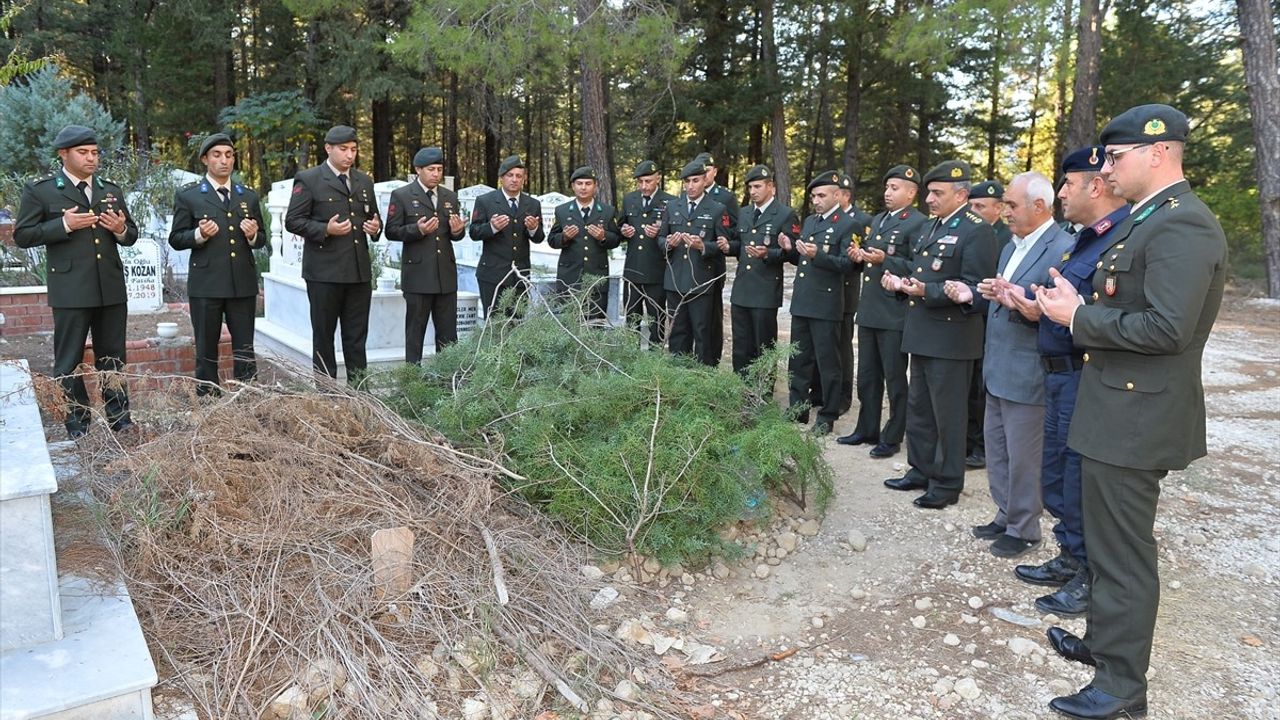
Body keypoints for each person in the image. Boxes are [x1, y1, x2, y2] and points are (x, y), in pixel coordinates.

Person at [1036, 105, 1226, 720]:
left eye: (1116, 157)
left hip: (1136, 417)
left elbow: (1168, 328)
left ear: (1158, 153)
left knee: (1122, 554)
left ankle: (1121, 689)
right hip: (1113, 407)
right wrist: (1078, 301)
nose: (1107, 168)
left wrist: (1077, 318)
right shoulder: (1147, 221)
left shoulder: (1182, 225)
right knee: (1104, 540)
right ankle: (1106, 646)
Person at [1001, 145, 1129, 618]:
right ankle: (1070, 555)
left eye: (1067, 184)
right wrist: (1038, 308)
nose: (1060, 194)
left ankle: (1086, 576)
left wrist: (1061, 314)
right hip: (1057, 374)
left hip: (1083, 375)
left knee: (1078, 480)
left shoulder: (1121, 237)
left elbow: (1108, 316)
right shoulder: (1087, 239)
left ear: (1094, 185)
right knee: (1057, 476)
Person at [947, 171, 1073, 558]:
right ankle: (1005, 513)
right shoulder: (1011, 246)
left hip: (1029, 369)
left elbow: (1057, 312)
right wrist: (978, 294)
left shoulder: (1062, 248)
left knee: (1024, 455)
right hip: (999, 365)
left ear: (1039, 206)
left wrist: (1022, 302)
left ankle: (1024, 527)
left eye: (1012, 205)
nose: (1005, 212)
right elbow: (1005, 297)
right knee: (998, 448)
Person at [881, 160, 996, 509]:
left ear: (961, 194)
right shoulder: (933, 226)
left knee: (948, 414)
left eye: (936, 193)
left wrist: (924, 293)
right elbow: (926, 275)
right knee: (920, 409)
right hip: (923, 333)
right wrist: (903, 286)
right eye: (929, 192)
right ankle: (920, 469)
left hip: (952, 339)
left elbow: (976, 290)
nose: (929, 199)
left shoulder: (976, 230)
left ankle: (946, 483)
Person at [15, 125, 139, 439]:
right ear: (63, 154)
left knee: (112, 357)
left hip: (110, 287)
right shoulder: (42, 190)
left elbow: (131, 235)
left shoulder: (109, 189)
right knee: (68, 360)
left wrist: (120, 229)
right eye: (83, 152)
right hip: (71, 289)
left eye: (95, 152)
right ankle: (78, 424)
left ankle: (119, 419)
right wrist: (63, 224)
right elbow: (24, 235)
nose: (91, 158)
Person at [168, 133, 268, 394]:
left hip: (242, 284)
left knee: (245, 347)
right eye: (217, 155)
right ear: (205, 159)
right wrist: (199, 235)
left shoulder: (247, 196)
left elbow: (262, 240)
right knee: (206, 348)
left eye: (229, 155)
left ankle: (247, 397)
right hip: (207, 285)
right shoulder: (189, 196)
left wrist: (253, 234)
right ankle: (208, 400)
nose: (224, 160)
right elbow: (176, 239)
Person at [839, 165, 927, 458]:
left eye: (895, 188)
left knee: (894, 378)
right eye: (887, 187)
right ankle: (867, 428)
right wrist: (859, 256)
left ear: (912, 192)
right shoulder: (877, 220)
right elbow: (871, 257)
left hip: (895, 311)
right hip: (870, 309)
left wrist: (885, 259)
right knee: (867, 375)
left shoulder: (918, 223)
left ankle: (893, 436)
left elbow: (917, 266)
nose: (887, 193)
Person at [284, 125, 382, 381]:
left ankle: (360, 389)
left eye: (353, 149)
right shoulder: (310, 179)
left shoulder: (363, 180)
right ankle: (327, 392)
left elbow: (372, 218)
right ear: (328, 148)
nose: (350, 155)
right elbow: (293, 221)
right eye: (343, 149)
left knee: (357, 336)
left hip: (358, 271)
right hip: (324, 272)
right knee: (324, 335)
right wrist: (325, 229)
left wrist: (375, 227)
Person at [782, 171, 857, 435]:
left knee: (828, 363)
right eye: (813, 196)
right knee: (799, 360)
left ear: (837, 195)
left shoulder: (848, 224)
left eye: (821, 195)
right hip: (803, 301)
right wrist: (791, 249)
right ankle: (798, 408)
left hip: (826, 303)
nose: (816, 200)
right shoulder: (811, 222)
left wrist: (820, 255)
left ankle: (827, 415)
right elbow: (803, 261)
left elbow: (850, 265)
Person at [383, 146, 466, 362]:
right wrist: (417, 230)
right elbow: (391, 230)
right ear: (418, 169)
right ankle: (413, 381)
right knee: (415, 333)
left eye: (439, 169)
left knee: (448, 335)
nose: (436, 174)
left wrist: (458, 231)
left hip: (445, 276)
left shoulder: (449, 197)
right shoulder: (402, 195)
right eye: (431, 169)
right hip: (418, 276)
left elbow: (452, 234)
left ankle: (447, 381)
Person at [723, 164, 798, 375]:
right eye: (750, 187)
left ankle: (762, 393)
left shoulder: (784, 214)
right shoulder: (745, 212)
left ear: (771, 187)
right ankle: (741, 389)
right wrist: (727, 246)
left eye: (757, 186)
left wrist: (769, 253)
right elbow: (740, 244)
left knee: (763, 346)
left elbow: (792, 253)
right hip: (742, 289)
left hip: (765, 291)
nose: (753, 191)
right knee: (741, 347)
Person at [661, 160, 731, 366]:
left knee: (703, 333)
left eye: (695, 180)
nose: (691, 186)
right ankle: (678, 377)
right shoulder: (673, 206)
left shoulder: (718, 209)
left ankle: (703, 378)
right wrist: (668, 243)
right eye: (687, 182)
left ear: (704, 181)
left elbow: (724, 245)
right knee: (677, 333)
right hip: (675, 280)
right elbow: (660, 239)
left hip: (702, 281)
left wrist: (703, 247)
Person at [964, 178, 1007, 469]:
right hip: (971, 318)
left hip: (995, 319)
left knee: (983, 386)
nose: (974, 211)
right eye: (971, 206)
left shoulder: (1006, 236)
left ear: (999, 208)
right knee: (970, 385)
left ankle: (981, 446)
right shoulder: (970, 232)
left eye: (980, 206)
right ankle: (969, 440)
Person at [469, 155, 545, 317]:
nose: (514, 180)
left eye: (519, 176)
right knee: (495, 326)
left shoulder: (532, 204)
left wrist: (533, 229)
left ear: (524, 179)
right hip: (492, 274)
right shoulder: (485, 201)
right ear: (502, 178)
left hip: (520, 275)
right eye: (510, 175)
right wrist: (492, 227)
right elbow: (474, 232)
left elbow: (539, 238)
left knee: (516, 324)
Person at [548, 166, 621, 320]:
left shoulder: (607, 211)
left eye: (588, 183)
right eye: (579, 183)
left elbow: (616, 239)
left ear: (595, 186)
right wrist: (564, 237)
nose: (583, 187)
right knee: (569, 323)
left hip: (596, 277)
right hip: (569, 277)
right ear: (573, 186)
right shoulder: (562, 211)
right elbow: (552, 240)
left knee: (595, 324)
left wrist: (603, 236)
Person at [619, 161, 676, 346]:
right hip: (633, 269)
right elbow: (621, 224)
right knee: (632, 318)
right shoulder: (629, 199)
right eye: (641, 182)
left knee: (656, 319)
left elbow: (674, 234)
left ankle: (654, 359)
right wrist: (624, 230)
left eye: (648, 181)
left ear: (658, 178)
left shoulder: (670, 201)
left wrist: (660, 233)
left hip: (656, 270)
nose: (644, 186)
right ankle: (631, 357)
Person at [832, 173, 873, 416]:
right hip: (824, 290)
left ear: (845, 195)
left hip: (846, 290)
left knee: (843, 344)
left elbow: (861, 256)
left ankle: (843, 395)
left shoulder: (861, 220)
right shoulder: (825, 218)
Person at [694, 152, 737, 364]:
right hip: (692, 265)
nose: (703, 174)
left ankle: (712, 360)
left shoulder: (725, 197)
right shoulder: (688, 195)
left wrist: (722, 243)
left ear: (714, 172)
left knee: (712, 316)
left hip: (713, 265)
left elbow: (734, 230)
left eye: (707, 170)